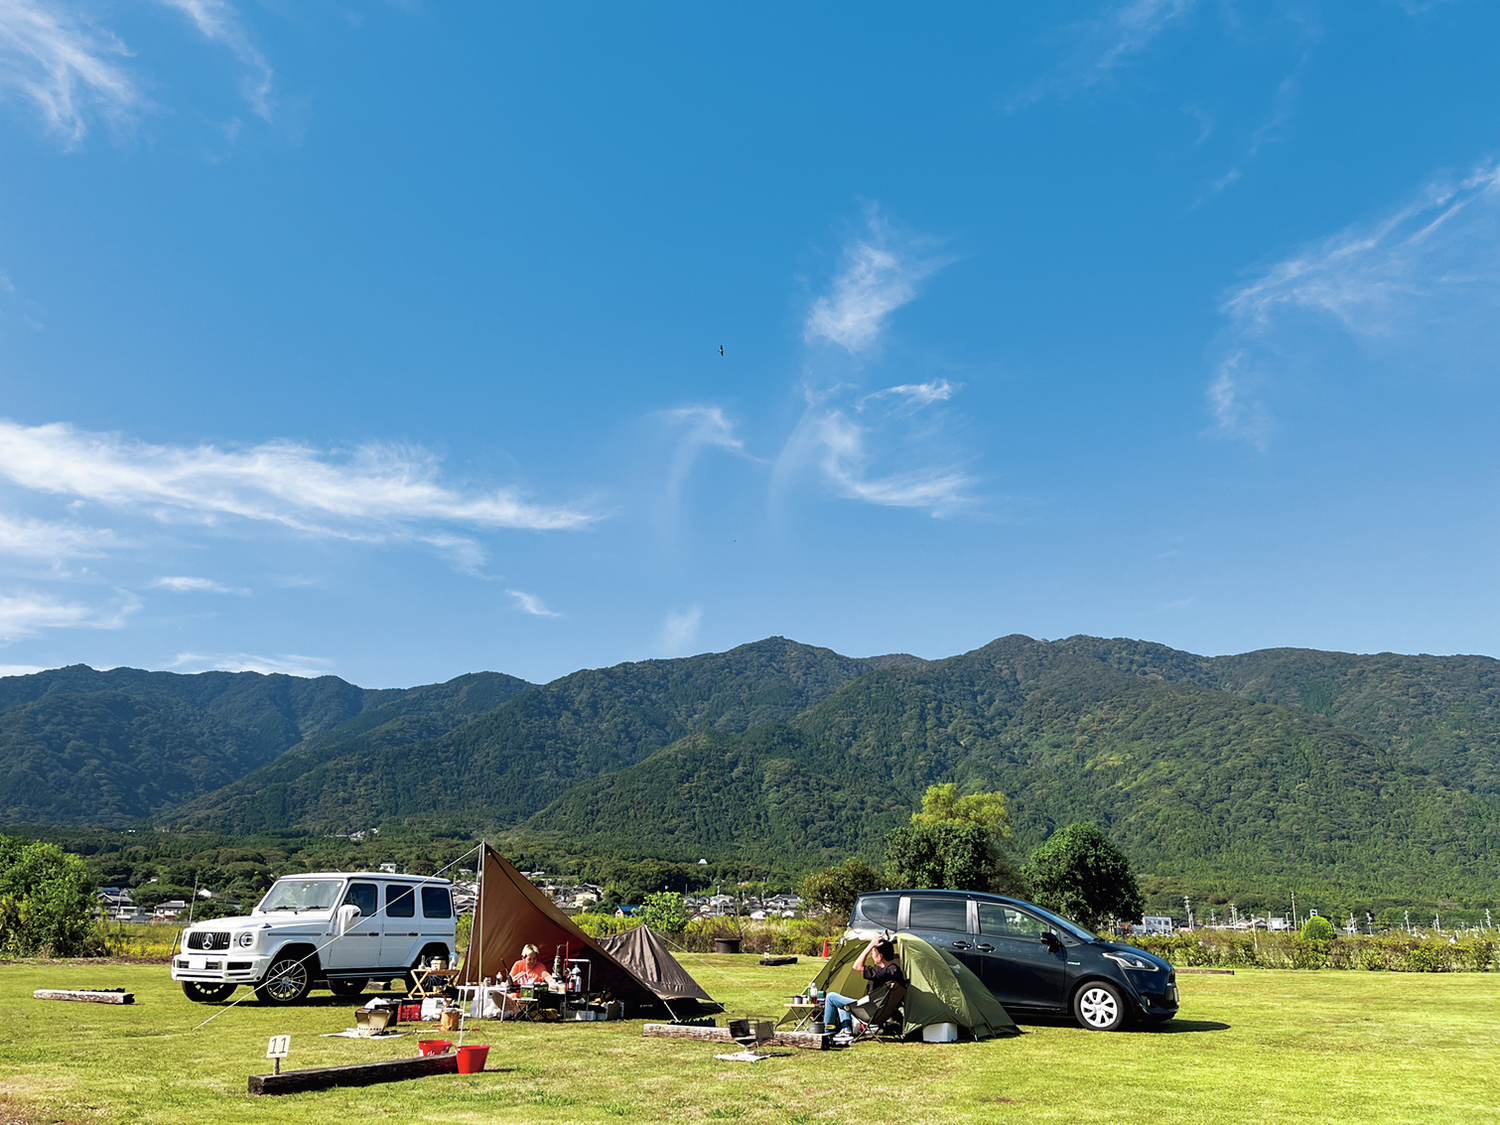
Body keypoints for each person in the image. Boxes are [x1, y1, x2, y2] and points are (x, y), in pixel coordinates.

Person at [821, 935, 904, 1044]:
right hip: (882, 1012)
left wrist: (871, 945)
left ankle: (828, 1033)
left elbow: (857, 966)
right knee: (841, 1002)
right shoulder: (895, 970)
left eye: (873, 953)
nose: (872, 956)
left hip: (871, 1012)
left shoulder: (883, 973)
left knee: (831, 997)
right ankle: (846, 1030)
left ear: (880, 957)